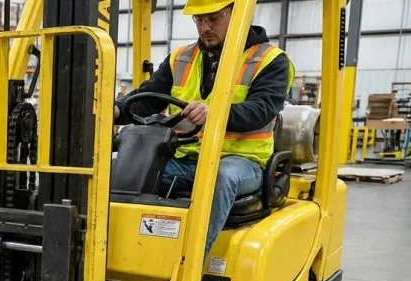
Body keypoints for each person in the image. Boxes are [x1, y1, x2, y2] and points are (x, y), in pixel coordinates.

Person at [114, 0, 295, 256]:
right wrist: (117, 109)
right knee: (119, 168)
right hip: (184, 157)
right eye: (199, 20)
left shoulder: (270, 60)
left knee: (219, 177)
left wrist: (216, 114)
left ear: (237, 13)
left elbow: (261, 110)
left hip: (241, 161)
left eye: (213, 18)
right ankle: (124, 255)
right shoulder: (181, 58)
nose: (205, 27)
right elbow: (148, 97)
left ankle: (189, 267)